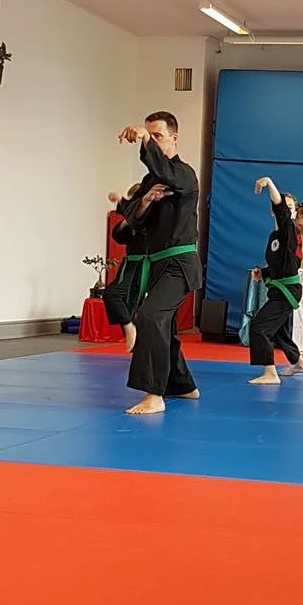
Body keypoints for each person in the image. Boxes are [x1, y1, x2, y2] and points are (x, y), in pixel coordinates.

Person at [117, 112, 202, 415]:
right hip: (157, 265)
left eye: (157, 136)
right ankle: (183, 385)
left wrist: (142, 141)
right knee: (164, 325)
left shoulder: (184, 173)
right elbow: (130, 217)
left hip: (180, 263)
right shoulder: (151, 181)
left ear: (173, 139)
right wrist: (146, 201)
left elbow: (165, 171)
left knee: (150, 317)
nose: (153, 141)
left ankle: (155, 394)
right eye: (149, 135)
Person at [248, 177, 303, 384]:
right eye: (285, 206)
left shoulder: (289, 229)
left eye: (291, 207)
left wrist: (269, 183)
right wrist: (262, 273)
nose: (287, 209)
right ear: (271, 212)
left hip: (287, 291)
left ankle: (270, 373)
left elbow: (281, 208)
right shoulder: (274, 236)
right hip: (279, 288)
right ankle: (299, 362)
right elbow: (278, 265)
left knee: (259, 328)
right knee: (279, 331)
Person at [102, 183, 142, 351]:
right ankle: (129, 328)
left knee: (114, 295)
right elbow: (119, 236)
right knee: (121, 300)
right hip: (132, 263)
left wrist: (120, 202)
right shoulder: (131, 222)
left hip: (143, 264)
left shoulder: (152, 215)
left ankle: (130, 327)